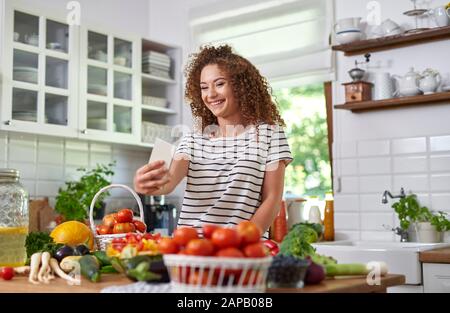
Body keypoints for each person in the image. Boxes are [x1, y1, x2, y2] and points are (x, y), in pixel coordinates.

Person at [134, 44, 292, 236]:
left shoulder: (269, 135)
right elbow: (166, 184)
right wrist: (146, 183)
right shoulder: (193, 140)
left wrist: (242, 241)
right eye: (203, 87)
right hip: (191, 247)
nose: (210, 94)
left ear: (240, 86)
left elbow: (272, 199)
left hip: (241, 249)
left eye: (219, 84)